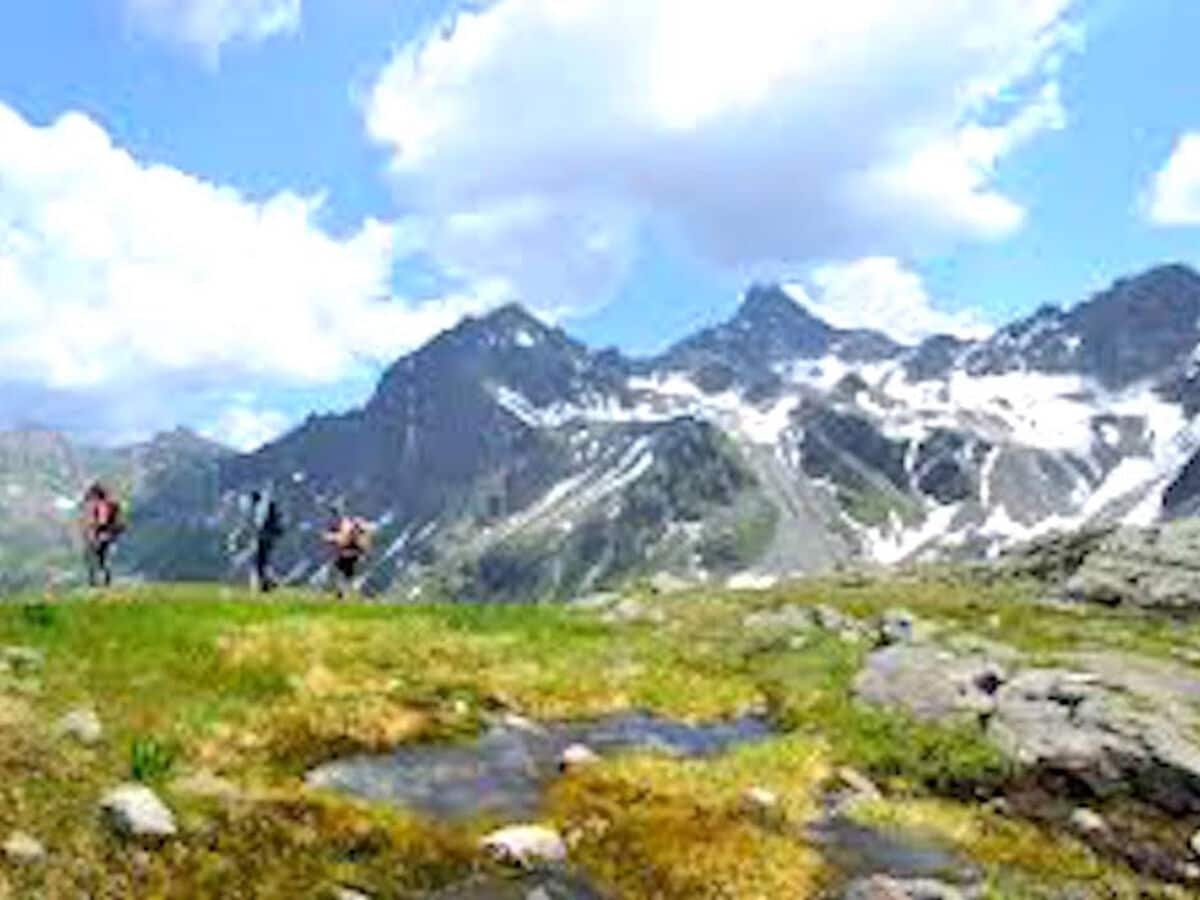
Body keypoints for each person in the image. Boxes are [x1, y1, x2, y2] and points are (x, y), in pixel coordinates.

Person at [323, 505, 372, 599]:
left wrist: (329, 537)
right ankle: (345, 593)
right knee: (346, 575)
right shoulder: (358, 531)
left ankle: (343, 593)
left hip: (346, 555)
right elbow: (364, 545)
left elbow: (339, 539)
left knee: (342, 574)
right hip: (352, 555)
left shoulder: (347, 528)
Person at [81, 482, 124, 587]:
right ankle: (105, 582)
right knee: (104, 559)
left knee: (94, 558)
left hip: (99, 535)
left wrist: (92, 531)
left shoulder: (100, 505)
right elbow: (120, 524)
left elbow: (100, 522)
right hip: (110, 535)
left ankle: (95, 582)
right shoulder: (112, 505)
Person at [247, 489, 284, 593]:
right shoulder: (267, 508)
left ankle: (268, 583)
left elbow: (260, 526)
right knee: (263, 562)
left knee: (260, 562)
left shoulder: (262, 510)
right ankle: (267, 583)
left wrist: (259, 535)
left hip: (264, 538)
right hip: (267, 538)